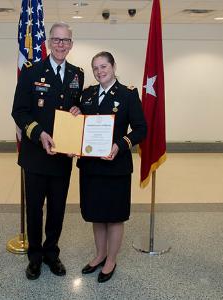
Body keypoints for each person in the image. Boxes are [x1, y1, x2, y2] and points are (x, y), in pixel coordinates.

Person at [11, 22, 84, 280]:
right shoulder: (31, 72)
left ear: (71, 44)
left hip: (62, 157)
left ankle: (52, 253)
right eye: (56, 40)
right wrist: (39, 133)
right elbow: (19, 111)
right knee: (34, 209)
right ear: (49, 43)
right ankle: (35, 256)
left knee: (57, 208)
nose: (61, 44)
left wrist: (79, 111)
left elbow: (76, 109)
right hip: (35, 155)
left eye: (65, 41)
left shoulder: (78, 74)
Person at [77, 51, 147, 283]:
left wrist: (120, 145)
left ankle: (111, 260)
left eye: (104, 66)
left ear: (113, 66)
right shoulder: (86, 95)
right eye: (95, 68)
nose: (99, 71)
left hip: (115, 166)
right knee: (97, 214)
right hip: (91, 166)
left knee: (114, 216)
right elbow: (79, 125)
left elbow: (140, 129)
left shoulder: (128, 94)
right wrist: (75, 112)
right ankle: (99, 255)